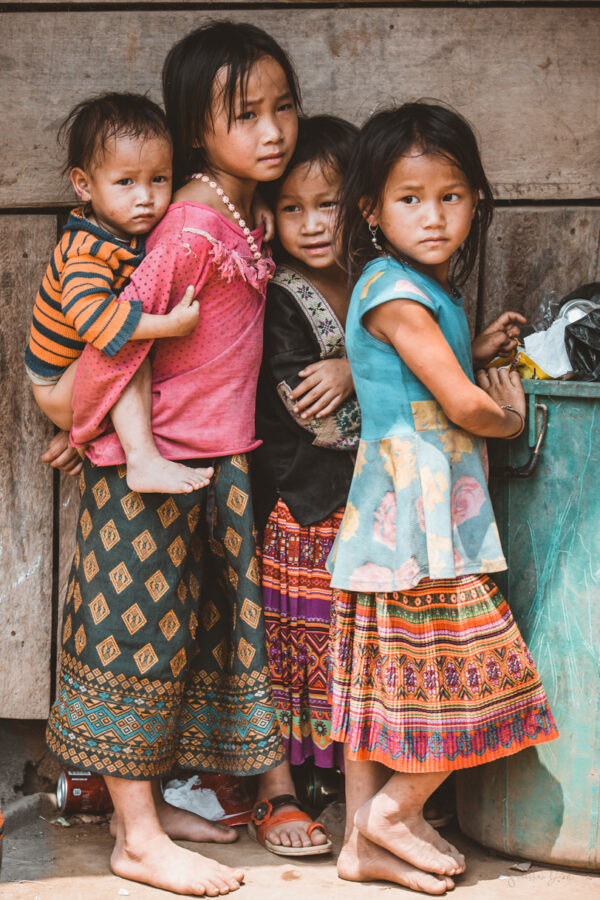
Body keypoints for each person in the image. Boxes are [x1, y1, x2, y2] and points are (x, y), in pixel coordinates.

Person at [45, 22, 299, 896]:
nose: (272, 131)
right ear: (198, 129)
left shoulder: (236, 209)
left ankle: (143, 811)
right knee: (133, 644)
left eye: (283, 109)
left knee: (184, 643)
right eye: (246, 116)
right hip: (150, 471)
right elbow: (117, 339)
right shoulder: (188, 226)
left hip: (212, 463)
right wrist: (83, 429)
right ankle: (138, 839)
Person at [328, 101, 559, 895]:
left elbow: (424, 369)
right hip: (419, 519)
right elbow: (462, 407)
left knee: (379, 678)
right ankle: (395, 811)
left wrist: (476, 344)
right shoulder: (394, 292)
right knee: (474, 669)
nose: (433, 217)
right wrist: (512, 414)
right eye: (409, 199)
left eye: (451, 197)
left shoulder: (411, 286)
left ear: (476, 200)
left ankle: (359, 847)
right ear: (372, 210)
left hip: (399, 515)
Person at [250, 116, 359, 855]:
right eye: (293, 208)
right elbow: (318, 421)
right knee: (291, 650)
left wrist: (359, 368)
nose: (314, 225)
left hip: (366, 508)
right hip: (303, 508)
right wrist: (419, 386)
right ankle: (278, 792)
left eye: (330, 205)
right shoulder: (281, 296)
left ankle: (358, 790)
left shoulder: (375, 282)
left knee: (352, 651)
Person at [25, 92, 212, 494]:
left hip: (81, 375)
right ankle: (141, 460)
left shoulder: (127, 228)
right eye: (125, 182)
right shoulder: (87, 250)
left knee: (132, 340)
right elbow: (94, 321)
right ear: (83, 185)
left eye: (158, 179)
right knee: (130, 340)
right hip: (59, 387)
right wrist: (167, 326)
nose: (145, 197)